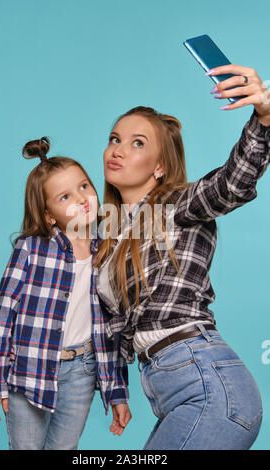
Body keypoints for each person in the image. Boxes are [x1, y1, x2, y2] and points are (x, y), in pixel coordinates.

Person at [94, 64, 270, 450]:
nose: (118, 150)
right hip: (171, 390)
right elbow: (105, 329)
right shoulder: (108, 237)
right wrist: (115, 392)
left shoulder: (176, 205)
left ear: (160, 167)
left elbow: (231, 184)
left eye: (138, 143)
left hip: (207, 382)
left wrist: (264, 119)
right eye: (115, 138)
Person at [0, 137, 131, 450]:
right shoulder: (31, 250)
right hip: (28, 368)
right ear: (49, 215)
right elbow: (2, 315)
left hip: (83, 370)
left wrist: (117, 394)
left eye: (84, 187)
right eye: (65, 196)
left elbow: (112, 330)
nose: (82, 199)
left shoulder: (108, 251)